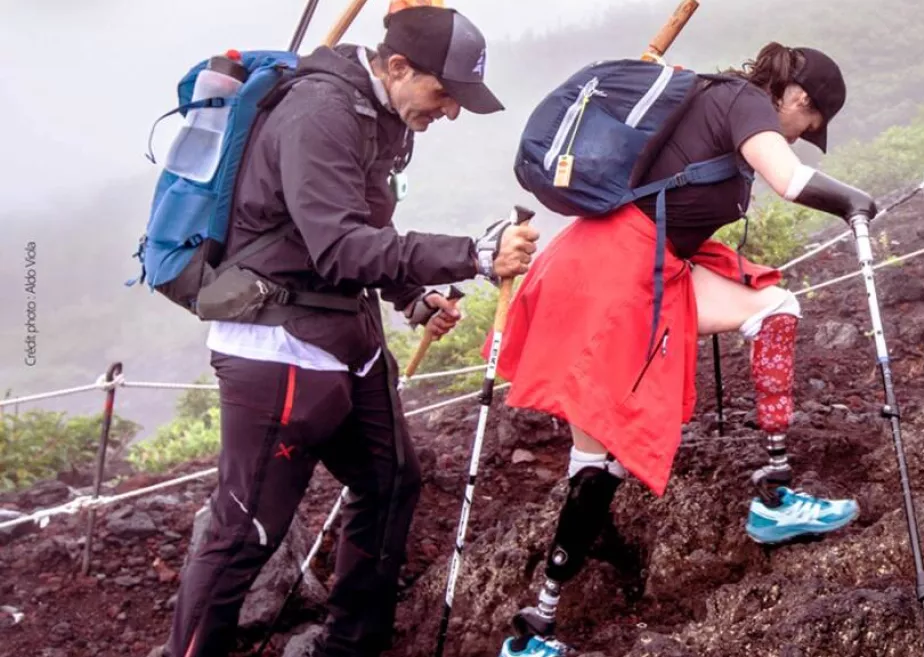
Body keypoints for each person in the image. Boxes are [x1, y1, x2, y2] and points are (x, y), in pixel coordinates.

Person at [160, 6, 540, 657]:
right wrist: (472, 255)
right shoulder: (320, 114)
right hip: (277, 344)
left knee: (390, 481)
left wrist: (411, 298)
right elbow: (337, 246)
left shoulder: (381, 115)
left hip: (345, 336)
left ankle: (350, 643)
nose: (450, 111)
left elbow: (361, 230)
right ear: (398, 66)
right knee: (245, 530)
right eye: (443, 92)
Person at [491, 42, 876, 656]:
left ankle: (536, 627)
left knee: (596, 462)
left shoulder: (708, 97)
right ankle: (774, 496)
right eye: (810, 125)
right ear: (800, 99)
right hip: (620, 271)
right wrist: (858, 204)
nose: (803, 136)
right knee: (773, 313)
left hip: (599, 260)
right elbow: (791, 179)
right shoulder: (747, 102)